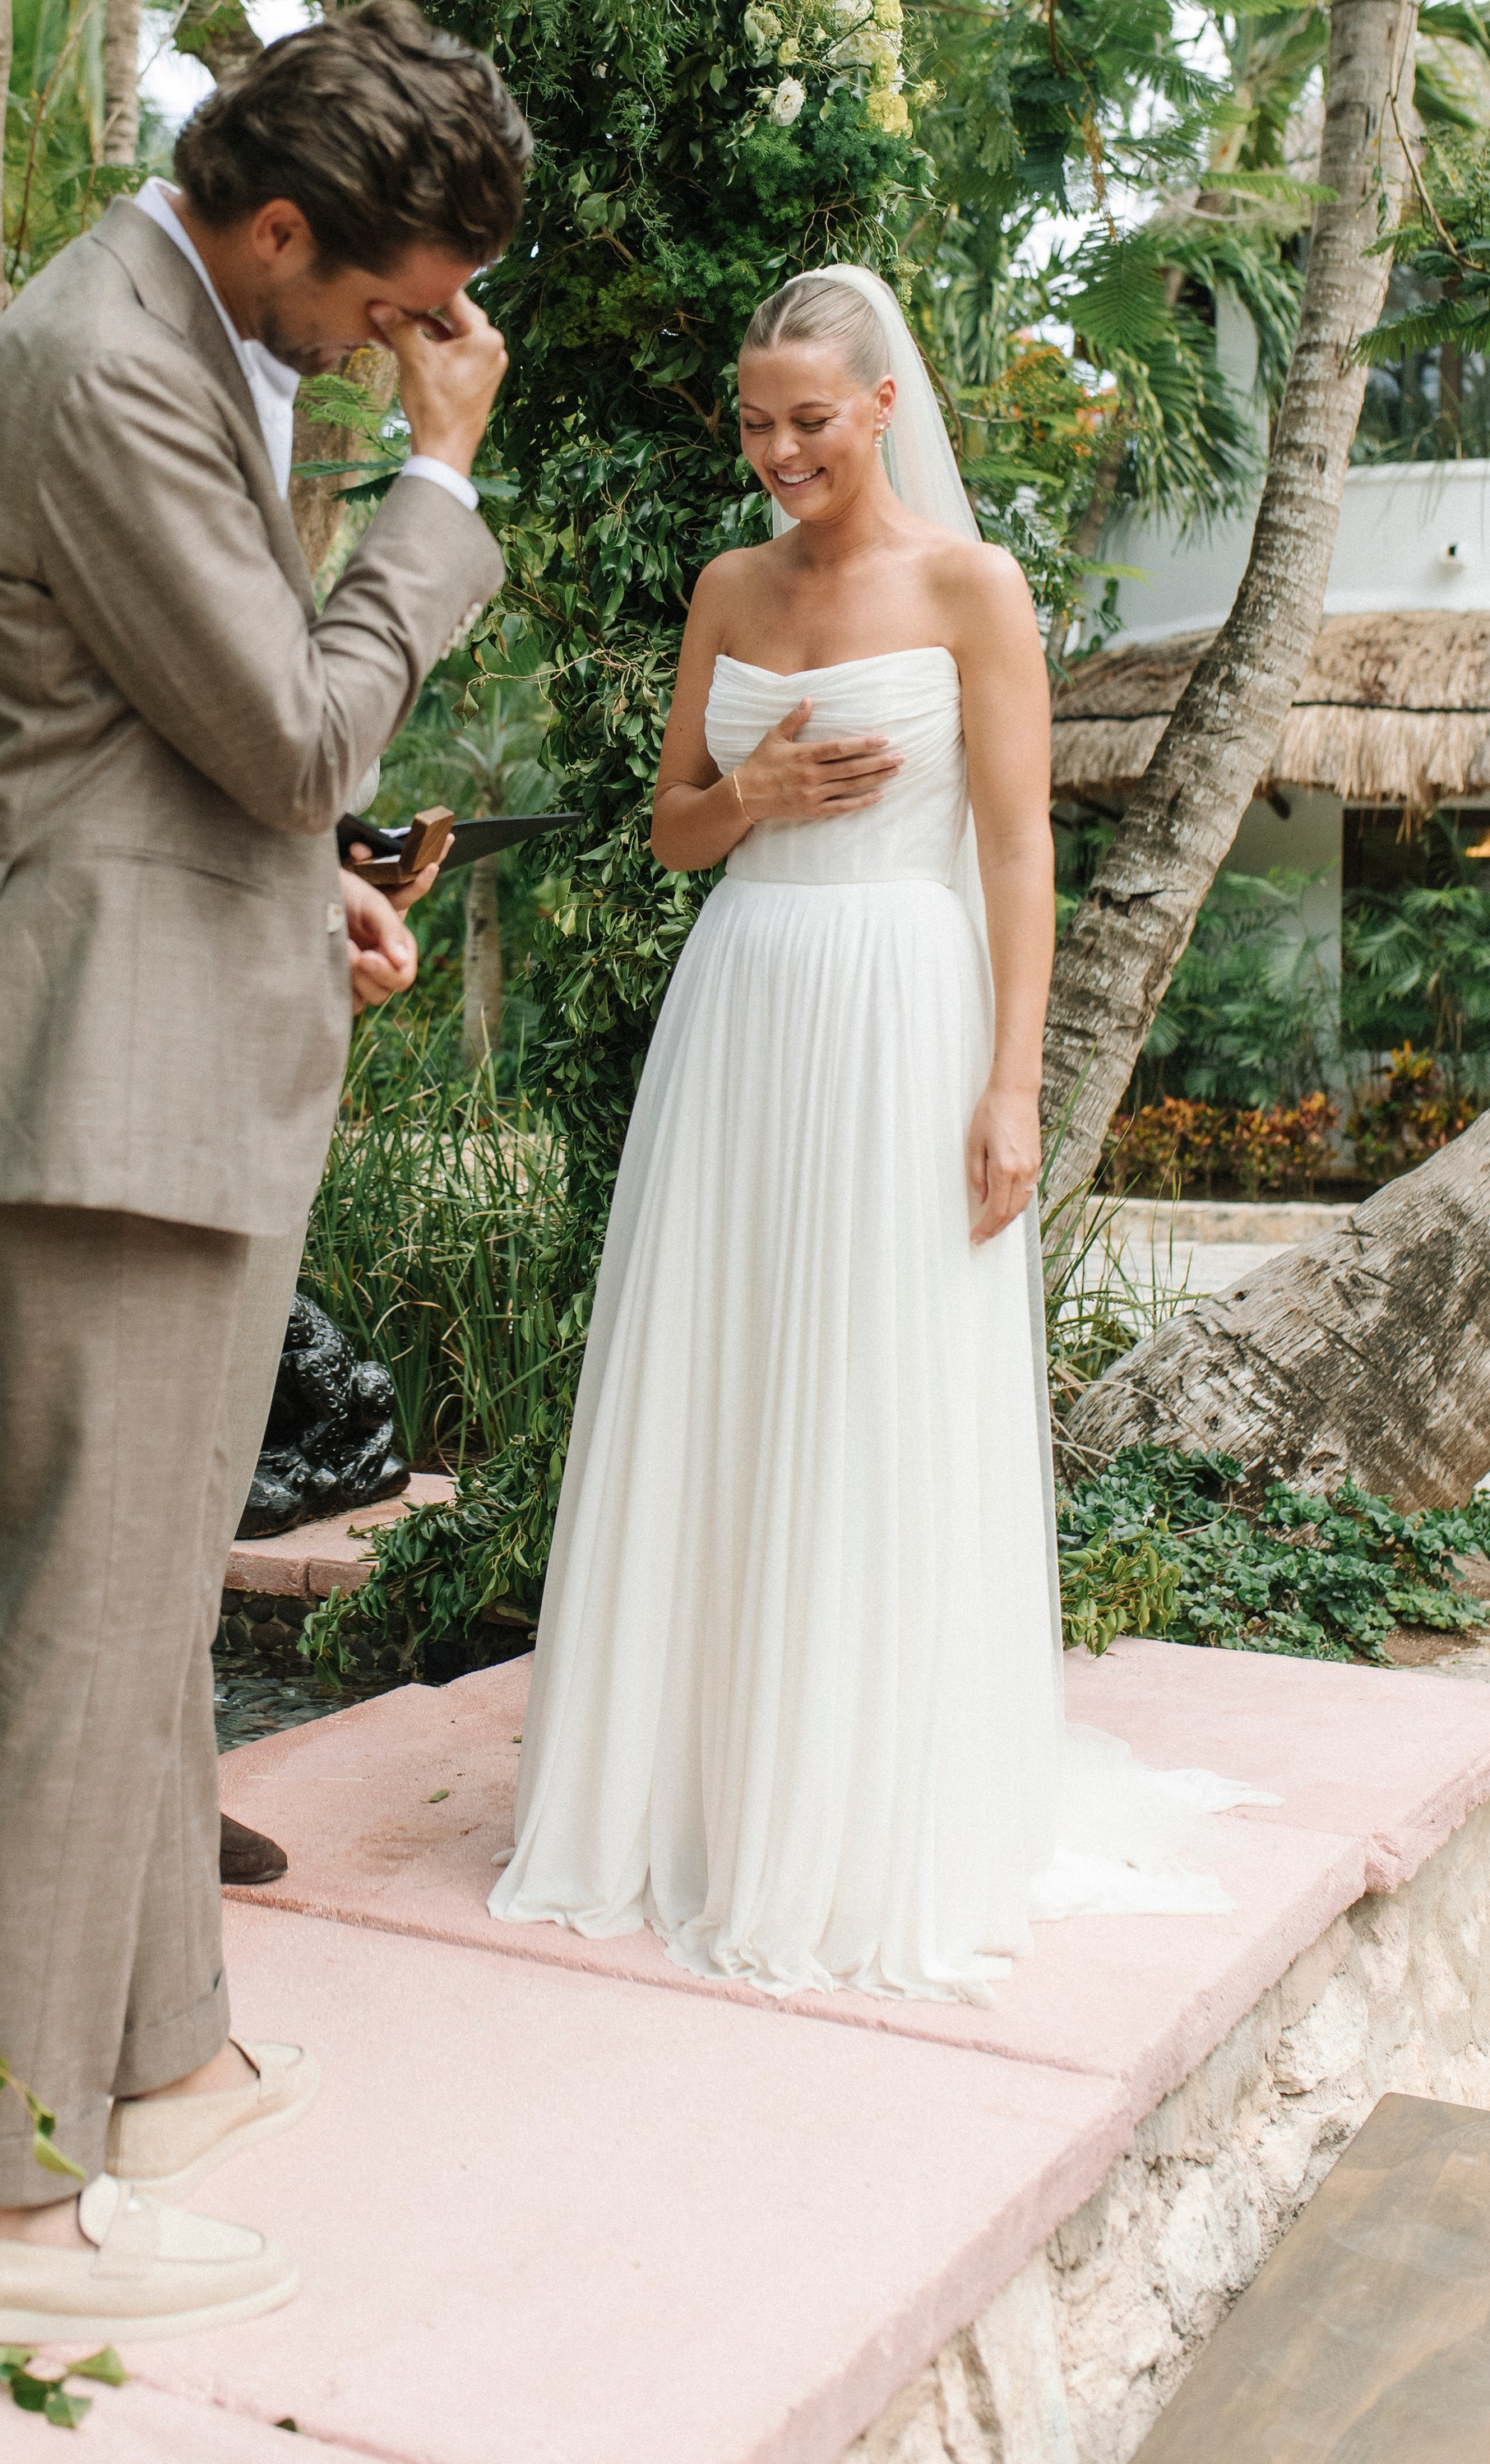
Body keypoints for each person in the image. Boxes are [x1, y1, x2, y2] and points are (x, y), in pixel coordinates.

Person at [0, 0, 525, 2346]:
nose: (399, 351)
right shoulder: (118, 360)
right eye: (386, 303)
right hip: (98, 1085)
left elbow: (159, 760)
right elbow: (289, 722)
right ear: (274, 224)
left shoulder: (177, 318)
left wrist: (301, 892)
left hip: (148, 1045)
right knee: (85, 1632)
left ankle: (149, 2067)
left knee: (123, 1607)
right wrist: (437, 496)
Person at [491, 266, 1265, 2000]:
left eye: (808, 421)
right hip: (742, 1008)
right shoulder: (723, 587)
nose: (776, 451)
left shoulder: (972, 589)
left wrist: (1011, 1087)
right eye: (755, 422)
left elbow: (1013, 853)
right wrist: (745, 795)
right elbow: (674, 834)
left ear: (882, 407)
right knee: (725, 1373)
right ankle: (690, 1797)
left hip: (904, 1008)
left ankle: (858, 1812)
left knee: (869, 1379)